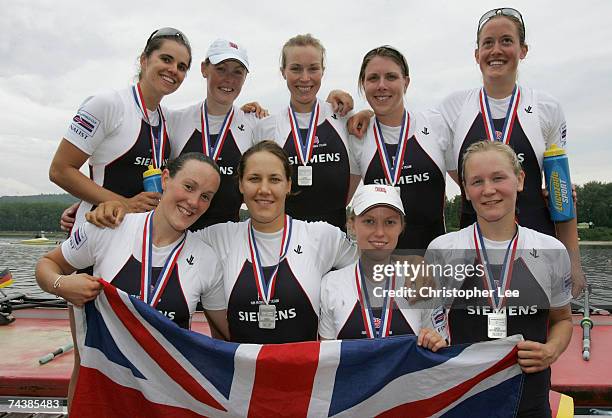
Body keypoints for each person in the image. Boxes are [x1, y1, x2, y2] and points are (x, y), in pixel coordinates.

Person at [88, 141, 358, 344]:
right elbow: (162, 231)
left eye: (274, 179)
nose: (264, 189)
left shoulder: (323, 237)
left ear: (288, 184)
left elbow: (371, 273)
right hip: (239, 385)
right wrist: (111, 208)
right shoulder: (215, 238)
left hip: (305, 381)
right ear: (240, 185)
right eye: (254, 179)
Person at [36, 152, 229, 409]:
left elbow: (224, 338)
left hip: (166, 402)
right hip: (106, 395)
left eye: (205, 196)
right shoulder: (108, 226)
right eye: (189, 186)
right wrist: (62, 285)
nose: (193, 201)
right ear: (165, 178)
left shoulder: (207, 259)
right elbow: (47, 265)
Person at [434, 8, 585, 296]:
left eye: (506, 41)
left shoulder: (546, 107)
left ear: (523, 50)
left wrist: (573, 263)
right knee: (473, 334)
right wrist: (363, 114)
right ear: (476, 54)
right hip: (473, 245)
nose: (496, 50)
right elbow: (409, 125)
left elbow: (561, 195)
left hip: (536, 243)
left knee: (536, 335)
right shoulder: (453, 107)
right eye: (488, 43)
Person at [426, 141, 572, 417]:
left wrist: (551, 350)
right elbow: (432, 323)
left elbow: (563, 320)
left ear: (519, 180)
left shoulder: (551, 250)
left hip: (528, 399)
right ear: (466, 191)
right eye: (477, 181)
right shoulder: (443, 249)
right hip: (460, 400)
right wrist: (432, 337)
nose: (488, 190)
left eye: (498, 178)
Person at [50, 27, 192, 229]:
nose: (173, 70)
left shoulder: (168, 119)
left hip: (137, 237)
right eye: (166, 59)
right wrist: (123, 203)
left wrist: (248, 113)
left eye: (182, 67)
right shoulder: (108, 104)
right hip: (96, 233)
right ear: (144, 60)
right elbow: (59, 170)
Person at [319, 184, 447, 352]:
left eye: (390, 222)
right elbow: (327, 359)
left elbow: (441, 348)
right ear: (351, 225)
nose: (380, 232)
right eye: (369, 221)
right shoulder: (331, 284)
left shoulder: (421, 281)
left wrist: (436, 343)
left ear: (401, 227)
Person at [348, 46, 451, 251]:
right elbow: (339, 202)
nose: (382, 85)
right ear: (363, 84)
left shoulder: (436, 124)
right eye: (373, 78)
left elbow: (469, 191)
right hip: (381, 268)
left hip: (433, 266)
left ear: (406, 82)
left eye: (391, 77)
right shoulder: (357, 135)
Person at [254, 34, 360, 230]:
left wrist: (369, 113)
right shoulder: (265, 127)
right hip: (283, 240)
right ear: (283, 72)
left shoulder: (344, 117)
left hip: (335, 240)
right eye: (295, 68)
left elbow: (357, 169)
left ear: (323, 71)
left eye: (313, 68)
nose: (305, 78)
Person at [167, 39, 259, 230]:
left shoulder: (255, 125)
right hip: (178, 238)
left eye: (237, 72)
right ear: (204, 69)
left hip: (228, 242)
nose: (229, 79)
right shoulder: (174, 120)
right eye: (221, 69)